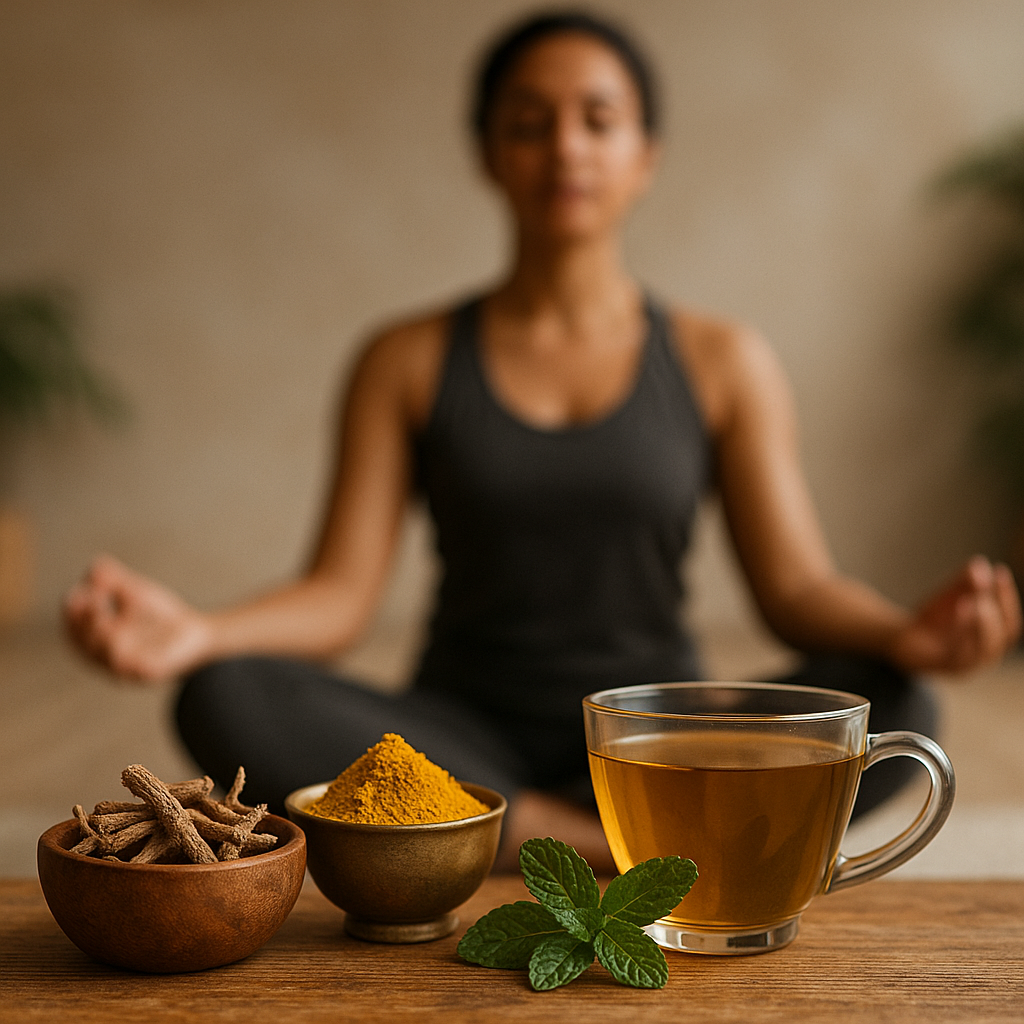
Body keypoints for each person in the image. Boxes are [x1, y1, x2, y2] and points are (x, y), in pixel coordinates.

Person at [64, 11, 1020, 872]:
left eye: (598, 120)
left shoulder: (724, 360)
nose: (566, 145)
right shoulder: (405, 359)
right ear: (488, 153)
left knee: (898, 701)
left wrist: (905, 635)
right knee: (225, 693)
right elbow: (340, 595)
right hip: (457, 739)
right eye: (529, 122)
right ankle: (606, 843)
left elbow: (799, 590)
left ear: (646, 154)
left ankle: (508, 833)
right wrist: (201, 632)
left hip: (652, 739)